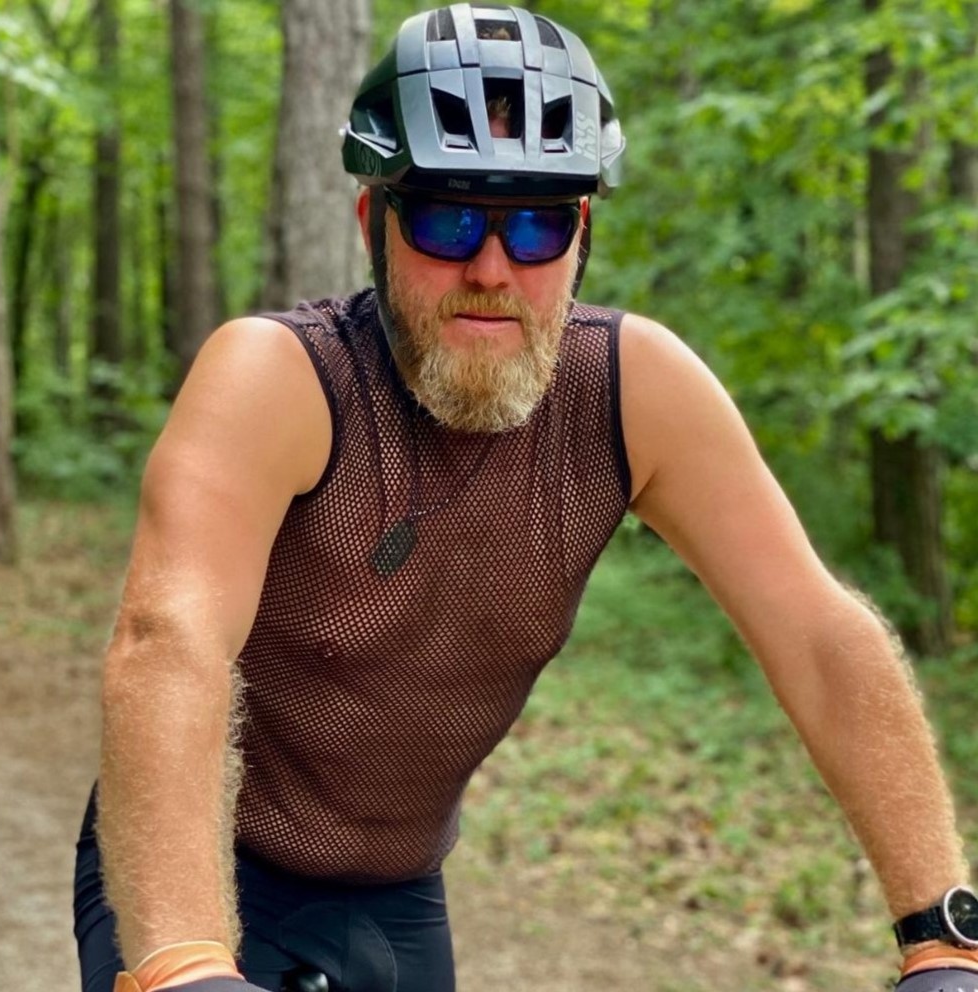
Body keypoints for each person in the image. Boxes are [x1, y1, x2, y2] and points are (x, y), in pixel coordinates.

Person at [75, 6, 978, 992]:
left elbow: (817, 634)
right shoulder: (282, 379)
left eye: (537, 223)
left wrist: (943, 934)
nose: (491, 270)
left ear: (579, 236)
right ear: (374, 224)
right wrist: (185, 961)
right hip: (203, 866)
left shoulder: (633, 392)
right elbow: (168, 643)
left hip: (399, 898)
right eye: (447, 219)